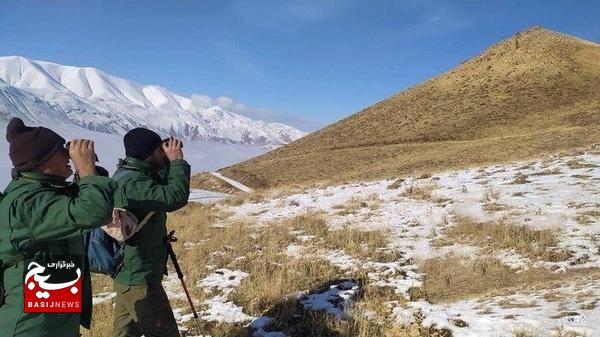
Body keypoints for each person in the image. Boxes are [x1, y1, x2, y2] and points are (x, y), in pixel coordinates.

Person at [0, 117, 117, 337]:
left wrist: (89, 171)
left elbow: (90, 198)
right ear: (41, 161)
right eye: (60, 151)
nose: (67, 156)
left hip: (53, 317)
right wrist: (85, 168)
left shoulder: (46, 191)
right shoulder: (28, 203)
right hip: (31, 327)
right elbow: (93, 211)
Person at [111, 128, 190, 337]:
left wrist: (165, 161)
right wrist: (177, 162)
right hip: (140, 278)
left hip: (128, 274)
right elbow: (175, 197)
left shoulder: (129, 174)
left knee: (126, 333)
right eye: (158, 150)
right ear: (148, 154)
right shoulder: (133, 184)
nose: (161, 153)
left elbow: (156, 185)